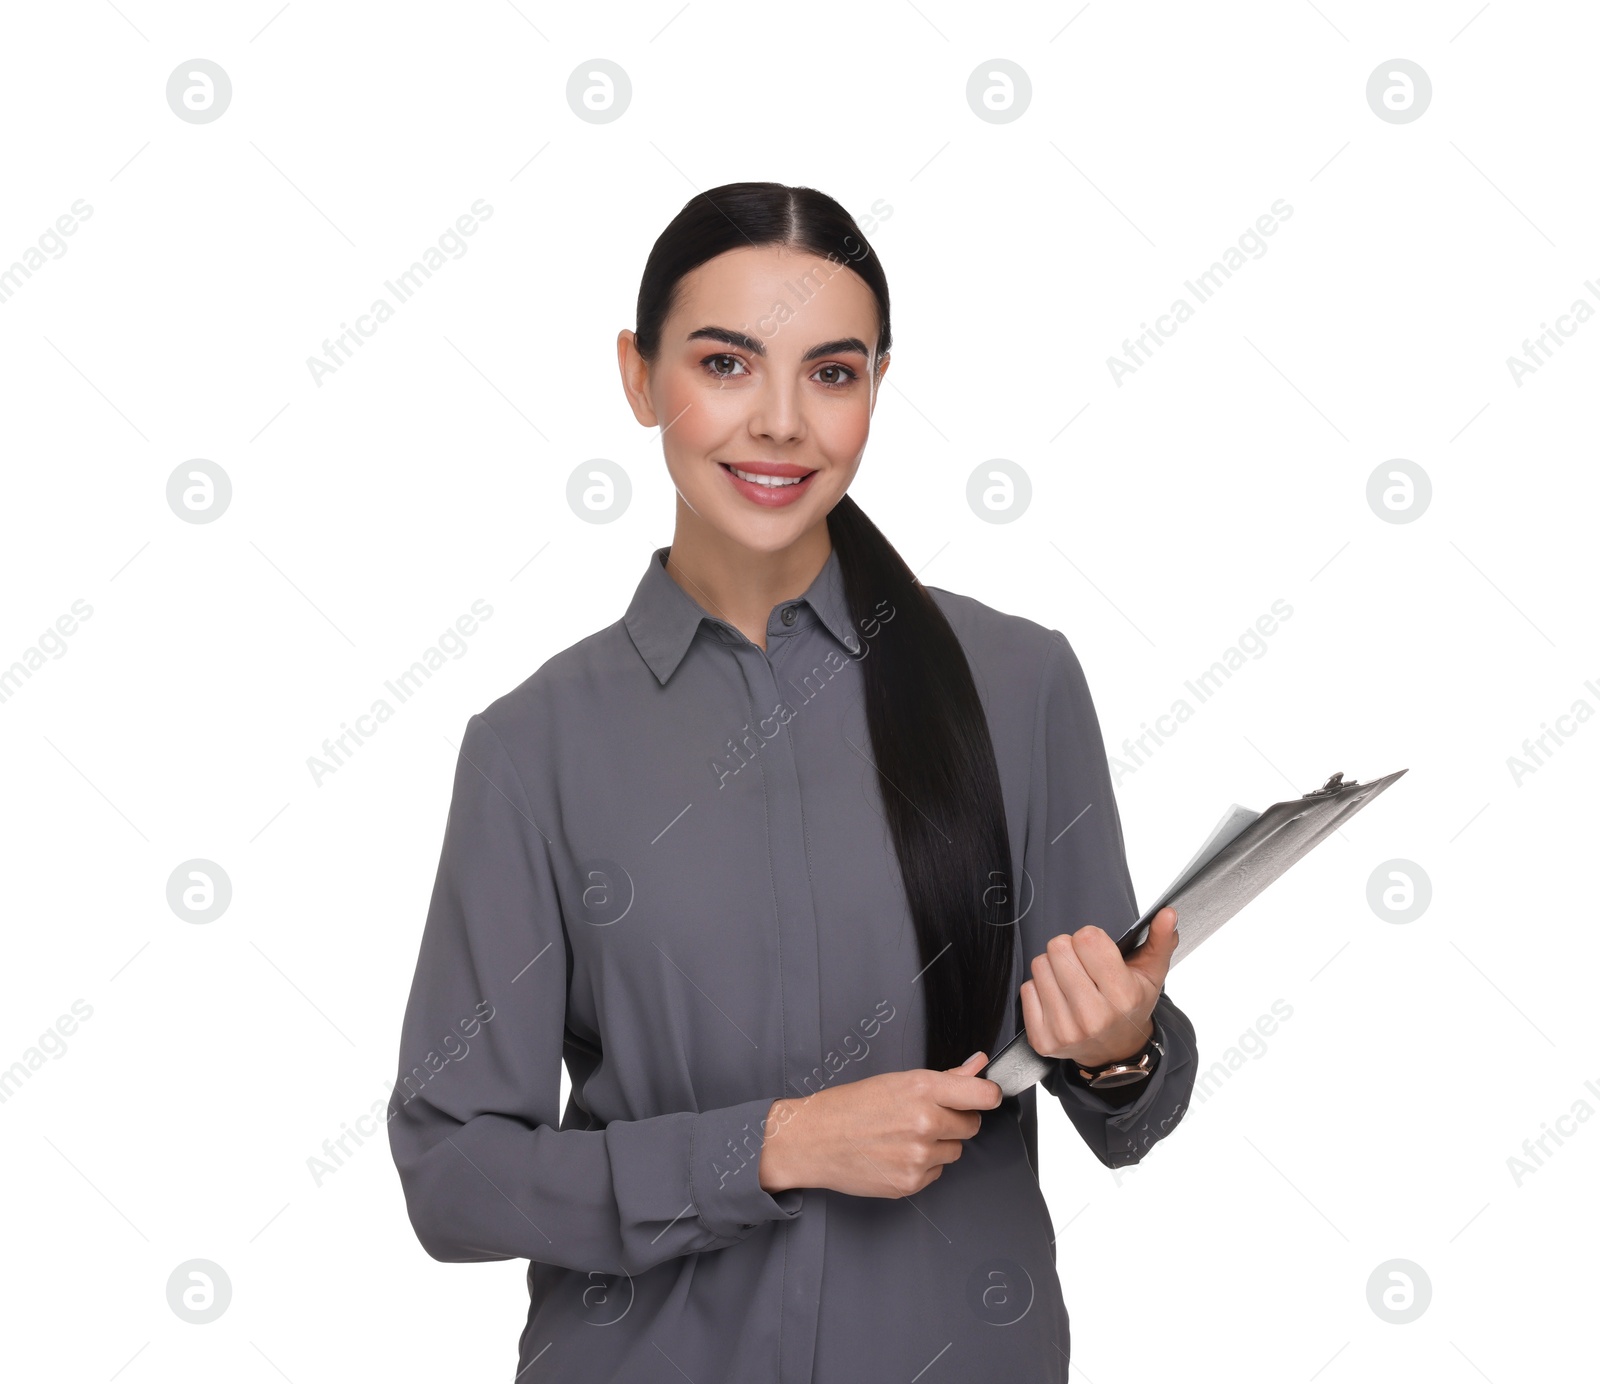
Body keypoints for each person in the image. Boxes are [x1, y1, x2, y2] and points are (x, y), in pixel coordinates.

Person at [387, 180, 1197, 1383]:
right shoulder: (531, 748)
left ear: (876, 384)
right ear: (637, 375)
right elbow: (452, 1175)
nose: (779, 422)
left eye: (831, 373)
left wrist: (1120, 1046)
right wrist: (770, 1148)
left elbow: (1124, 1104)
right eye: (724, 363)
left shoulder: (1018, 683)